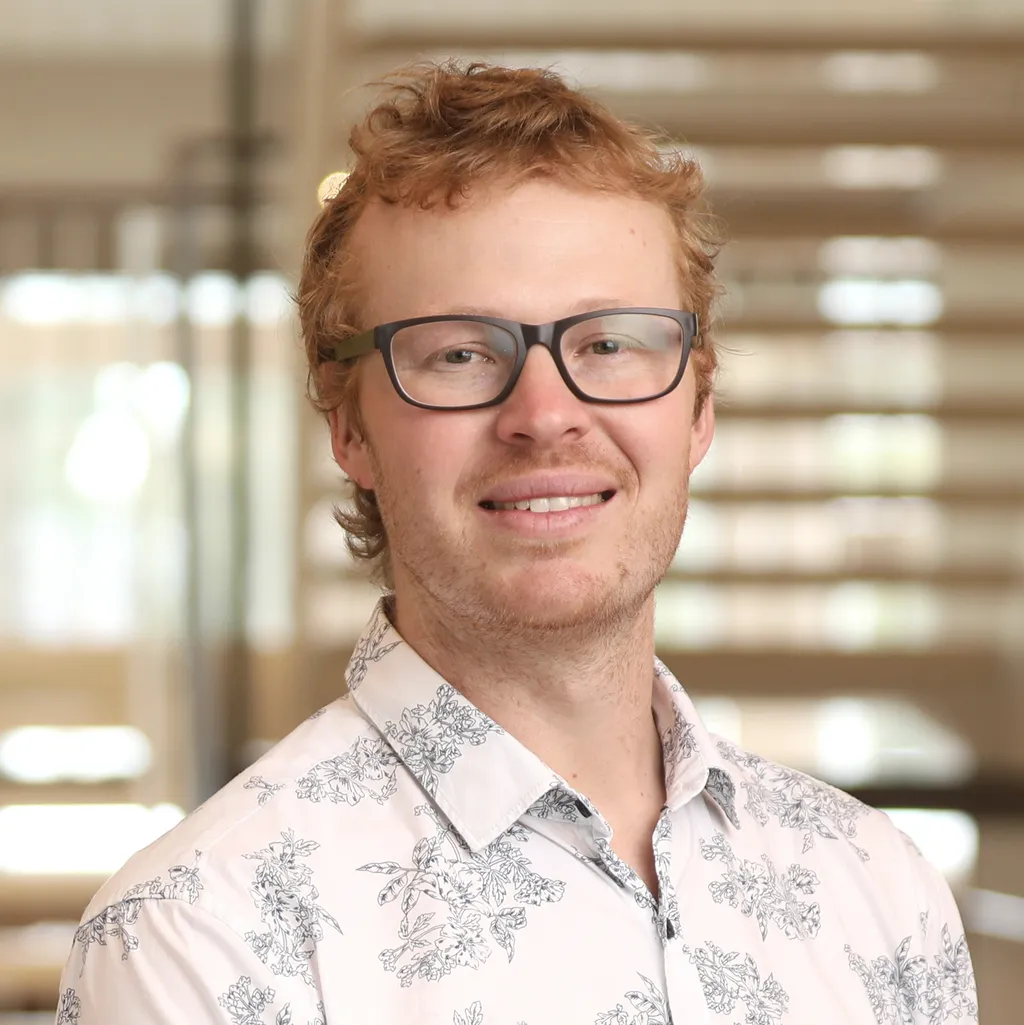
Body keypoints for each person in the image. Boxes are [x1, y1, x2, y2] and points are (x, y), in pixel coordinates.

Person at [57, 61, 977, 1025]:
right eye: (459, 353)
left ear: (699, 404)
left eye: (610, 345)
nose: (546, 414)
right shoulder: (195, 936)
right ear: (349, 427)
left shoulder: (878, 891)